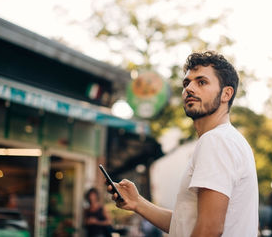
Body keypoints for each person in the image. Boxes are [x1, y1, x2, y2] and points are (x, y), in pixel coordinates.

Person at [107, 51, 259, 237]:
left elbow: (209, 228)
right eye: (187, 83)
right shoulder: (226, 139)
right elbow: (184, 225)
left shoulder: (216, 141)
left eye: (201, 82)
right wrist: (138, 202)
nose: (190, 88)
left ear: (226, 93)